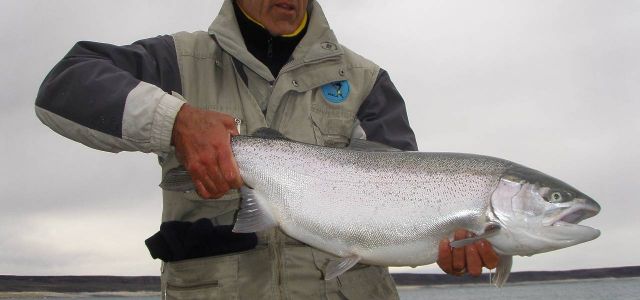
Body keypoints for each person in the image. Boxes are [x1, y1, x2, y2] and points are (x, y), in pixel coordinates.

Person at [35, 0, 498, 299]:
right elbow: (63, 86)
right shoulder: (175, 61)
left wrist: (448, 242)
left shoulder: (366, 82)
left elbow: (405, 193)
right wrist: (175, 121)